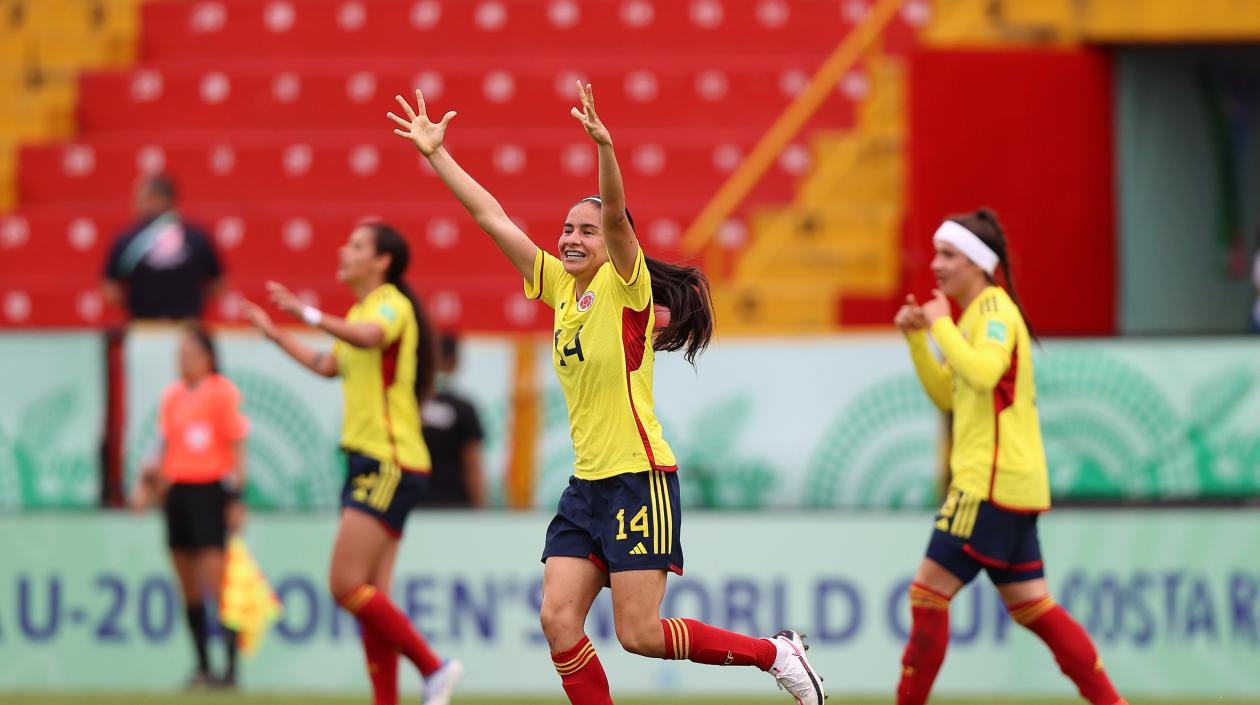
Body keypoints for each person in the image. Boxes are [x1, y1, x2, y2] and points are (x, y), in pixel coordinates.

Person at [388, 83, 826, 705]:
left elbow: (618, 218)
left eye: (585, 231)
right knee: (557, 620)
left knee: (639, 634)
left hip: (638, 476)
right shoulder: (559, 289)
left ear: (613, 244)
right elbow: (492, 218)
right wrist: (437, 155)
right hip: (588, 485)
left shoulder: (628, 285)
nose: (570, 238)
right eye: (566, 228)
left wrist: (605, 149)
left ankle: (776, 655)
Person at [893, 209, 1128, 705]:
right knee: (1032, 606)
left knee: (926, 596)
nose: (936, 265)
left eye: (948, 254)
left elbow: (981, 371)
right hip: (1009, 485)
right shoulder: (974, 316)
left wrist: (939, 328)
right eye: (936, 253)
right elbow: (951, 395)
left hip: (988, 485)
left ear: (979, 263)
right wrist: (919, 337)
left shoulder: (994, 313)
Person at [241, 223, 462, 705]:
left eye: (358, 245)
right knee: (370, 596)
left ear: (382, 262)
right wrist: (277, 335)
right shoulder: (362, 308)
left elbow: (368, 338)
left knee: (344, 585)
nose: (344, 249)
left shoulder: (389, 304)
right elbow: (328, 364)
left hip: (388, 460)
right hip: (380, 461)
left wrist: (310, 313)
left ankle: (435, 668)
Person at [130, 326, 248, 689]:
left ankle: (229, 671)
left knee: (218, 582)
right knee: (188, 585)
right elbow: (161, 446)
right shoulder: (172, 396)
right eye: (179, 354)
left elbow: (237, 447)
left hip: (210, 492)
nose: (182, 360)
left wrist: (236, 499)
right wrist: (144, 486)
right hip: (177, 492)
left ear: (207, 358)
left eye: (189, 353)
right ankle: (202, 666)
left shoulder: (222, 392)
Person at [103, 174, 225, 320]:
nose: (135, 204)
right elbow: (219, 283)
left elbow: (110, 290)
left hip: (144, 327)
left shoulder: (128, 239)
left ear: (158, 199)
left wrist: (135, 305)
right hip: (187, 326)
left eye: (140, 198)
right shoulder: (197, 235)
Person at [418, 333, 488, 508]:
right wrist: (480, 508)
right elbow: (472, 463)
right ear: (454, 362)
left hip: (413, 506)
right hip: (454, 511)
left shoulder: (410, 405)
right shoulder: (463, 408)